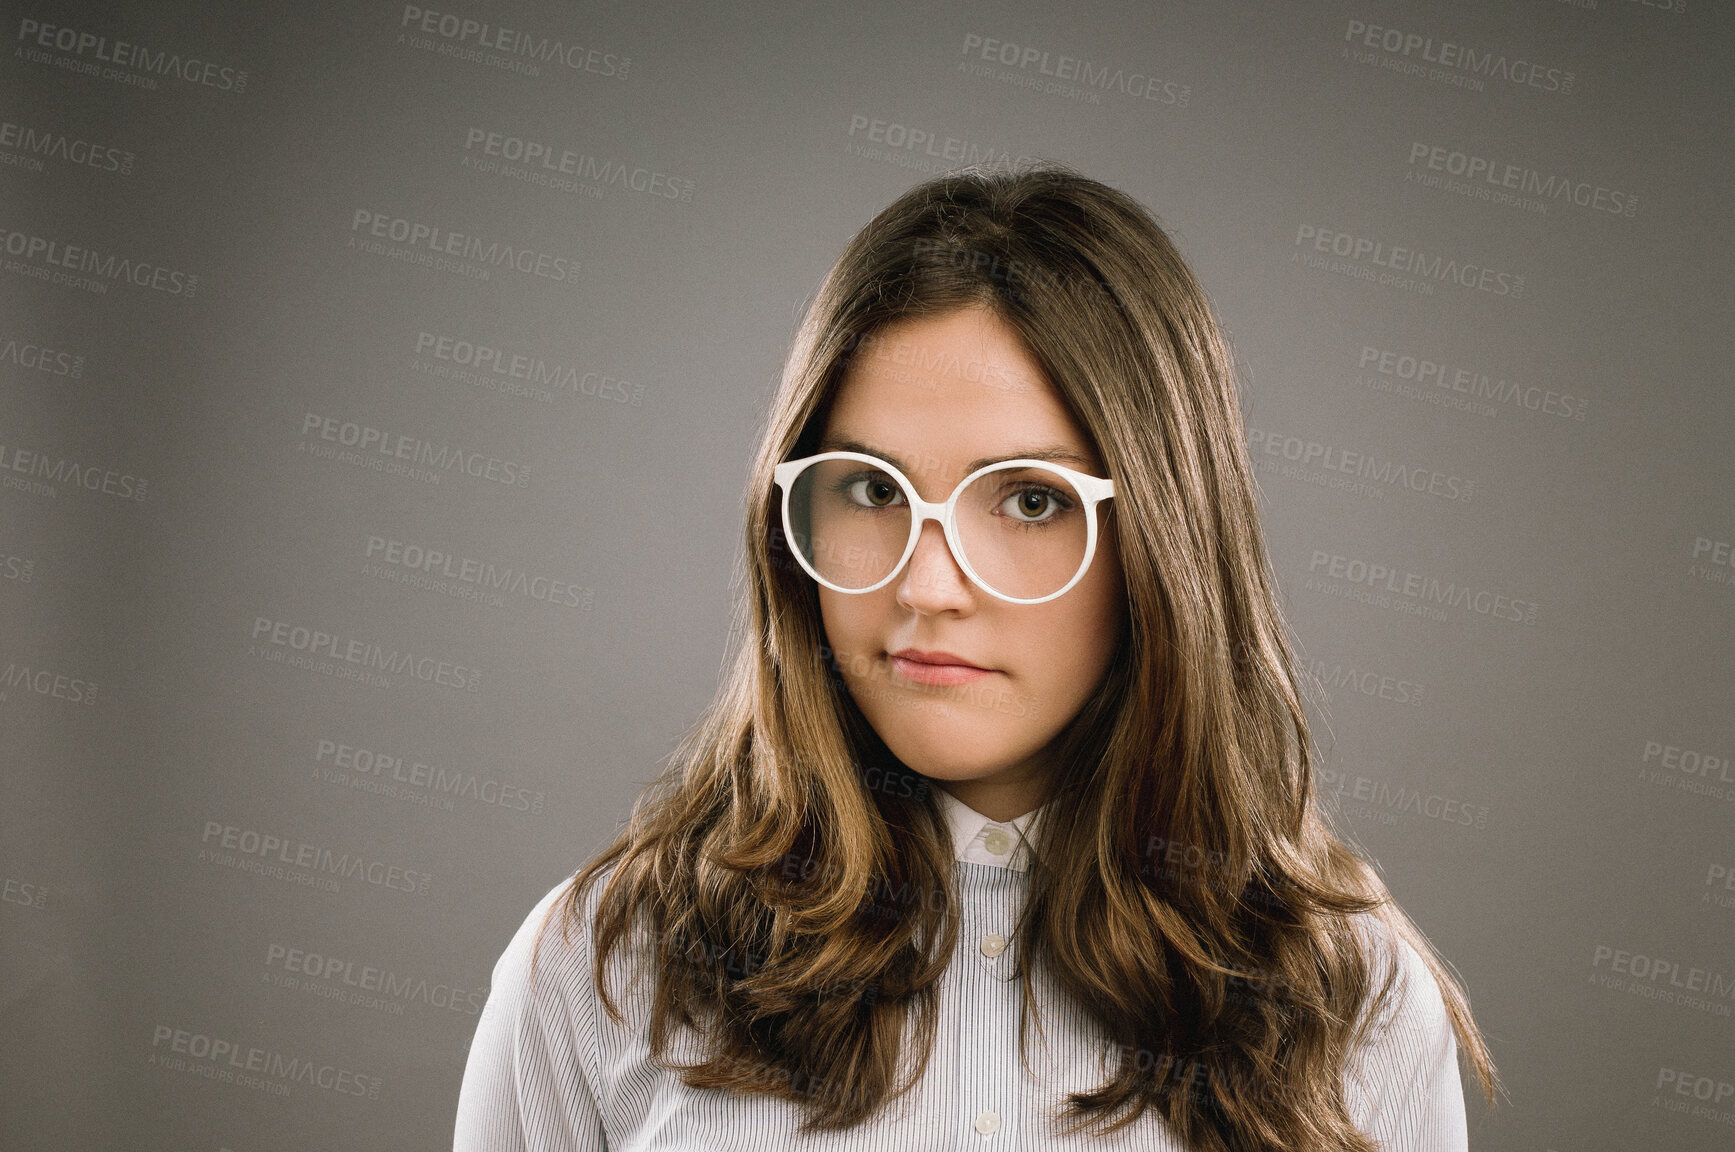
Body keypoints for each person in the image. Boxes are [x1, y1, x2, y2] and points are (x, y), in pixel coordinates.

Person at [453, 163, 1500, 1152]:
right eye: (871, 490)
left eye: (1031, 501)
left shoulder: (1349, 1004)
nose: (926, 585)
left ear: (1168, 542)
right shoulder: (599, 968)